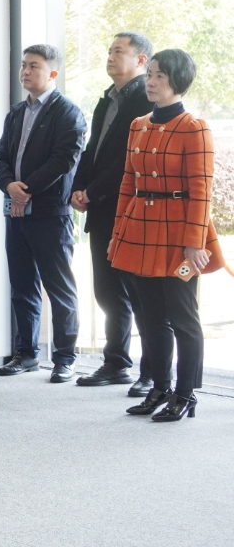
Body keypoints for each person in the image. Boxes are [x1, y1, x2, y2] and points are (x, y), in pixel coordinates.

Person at [109, 49, 225, 421]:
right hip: (140, 230)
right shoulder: (138, 124)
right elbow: (128, 183)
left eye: (160, 75)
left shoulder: (194, 127)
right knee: (150, 317)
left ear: (178, 82)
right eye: (150, 74)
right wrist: (118, 232)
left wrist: (194, 243)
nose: (151, 81)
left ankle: (185, 394)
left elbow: (202, 190)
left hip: (179, 235)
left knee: (183, 318)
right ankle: (159, 388)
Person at [0, 45, 87, 383]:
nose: (25, 71)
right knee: (22, 286)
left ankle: (65, 357)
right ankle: (26, 353)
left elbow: (63, 161)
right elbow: (1, 158)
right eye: (23, 65)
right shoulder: (16, 113)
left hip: (51, 214)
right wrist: (10, 187)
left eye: (34, 66)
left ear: (52, 73)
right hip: (16, 213)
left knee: (59, 289)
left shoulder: (68, 113)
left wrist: (27, 189)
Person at [71, 32, 155, 396]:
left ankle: (152, 372)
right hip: (101, 209)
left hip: (130, 209)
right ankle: (117, 362)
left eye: (118, 51)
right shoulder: (106, 99)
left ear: (141, 60)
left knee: (140, 294)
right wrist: (78, 187)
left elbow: (127, 159)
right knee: (107, 290)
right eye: (108, 50)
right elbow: (92, 149)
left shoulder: (146, 98)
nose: (110, 56)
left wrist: (92, 191)